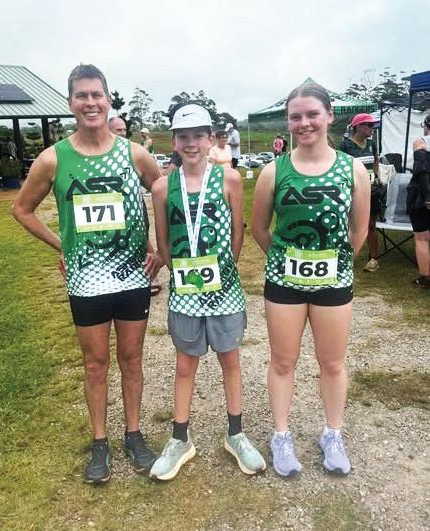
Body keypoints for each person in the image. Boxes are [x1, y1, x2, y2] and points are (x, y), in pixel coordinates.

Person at [13, 64, 163, 484]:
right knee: (95, 363)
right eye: (82, 95)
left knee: (131, 359)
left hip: (132, 277)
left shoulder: (134, 153)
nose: (90, 102)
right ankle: (100, 441)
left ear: (108, 100)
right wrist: (62, 245)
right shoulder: (52, 158)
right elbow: (21, 210)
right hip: (86, 280)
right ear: (70, 103)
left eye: (97, 94)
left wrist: (160, 251)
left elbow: (166, 195)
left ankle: (133, 434)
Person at [252, 82, 370, 477]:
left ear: (329, 116)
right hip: (284, 284)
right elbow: (260, 229)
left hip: (333, 283)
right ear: (288, 121)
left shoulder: (353, 169)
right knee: (283, 361)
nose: (304, 123)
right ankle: (281, 436)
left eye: (312, 114)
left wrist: (335, 262)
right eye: (296, 116)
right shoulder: (274, 171)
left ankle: (332, 434)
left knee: (332, 363)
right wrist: (283, 260)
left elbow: (359, 230)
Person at [150, 104, 266, 481]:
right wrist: (186, 275)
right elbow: (164, 244)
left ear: (211, 139)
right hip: (185, 290)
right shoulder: (162, 187)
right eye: (183, 136)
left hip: (225, 289)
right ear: (174, 141)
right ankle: (179, 439)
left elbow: (236, 234)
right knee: (185, 365)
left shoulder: (229, 179)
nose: (191, 143)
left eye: (199, 135)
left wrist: (222, 272)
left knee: (230, 361)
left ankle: (236, 434)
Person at [109, 116, 163, 296]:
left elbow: (158, 184)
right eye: (118, 130)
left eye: (124, 130)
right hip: (109, 206)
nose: (123, 133)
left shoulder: (133, 151)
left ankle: (152, 273)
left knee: (141, 235)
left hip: (133, 203)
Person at [339, 113, 380, 273]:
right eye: (369, 125)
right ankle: (347, 258)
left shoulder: (371, 143)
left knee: (371, 225)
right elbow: (340, 168)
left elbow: (376, 160)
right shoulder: (345, 145)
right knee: (350, 225)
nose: (372, 128)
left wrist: (375, 175)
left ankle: (373, 258)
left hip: (372, 190)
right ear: (358, 127)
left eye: (372, 125)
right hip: (352, 191)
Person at [406, 114, 430, 288]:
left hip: (421, 196)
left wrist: (428, 196)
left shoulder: (420, 143)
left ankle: (426, 277)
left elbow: (421, 170)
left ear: (426, 126)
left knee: (422, 238)